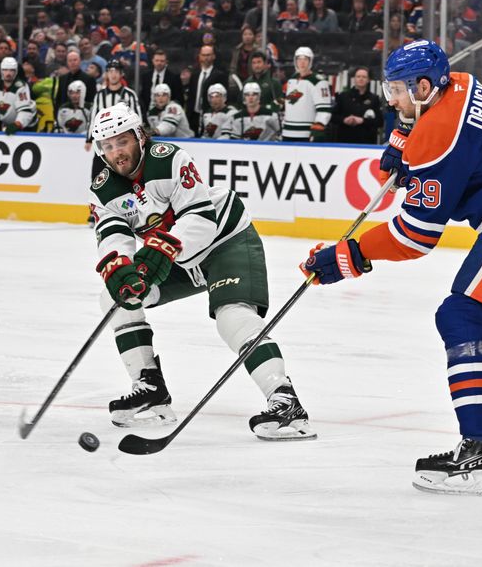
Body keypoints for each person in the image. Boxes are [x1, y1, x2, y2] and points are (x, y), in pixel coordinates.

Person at [301, 40, 482, 495]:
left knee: (460, 315)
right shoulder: (461, 83)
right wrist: (399, 144)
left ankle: (479, 452)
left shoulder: (437, 135)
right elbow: (419, 122)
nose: (391, 99)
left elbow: (415, 237)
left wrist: (347, 256)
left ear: (423, 86)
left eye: (397, 90)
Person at [88, 103, 316, 440]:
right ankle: (150, 388)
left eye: (122, 141)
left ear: (139, 137)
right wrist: (119, 267)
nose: (116, 152)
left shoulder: (168, 158)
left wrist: (159, 251)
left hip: (225, 240)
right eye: (107, 146)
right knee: (116, 297)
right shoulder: (103, 187)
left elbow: (200, 218)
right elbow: (112, 235)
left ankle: (285, 401)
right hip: (179, 258)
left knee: (233, 317)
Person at [85, 59, 141, 176]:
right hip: (104, 140)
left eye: (116, 71)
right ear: (106, 74)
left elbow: (137, 117)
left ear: (121, 74)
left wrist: (140, 136)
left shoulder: (130, 95)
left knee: (126, 172)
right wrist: (89, 139)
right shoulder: (99, 95)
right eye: (110, 71)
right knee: (98, 176)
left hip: (123, 139)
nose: (113, 74)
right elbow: (93, 118)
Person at [282, 47, 332, 142]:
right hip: (287, 132)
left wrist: (319, 125)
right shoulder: (292, 79)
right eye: (299, 59)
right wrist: (280, 102)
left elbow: (324, 109)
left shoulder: (318, 81)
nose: (302, 62)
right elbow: (293, 101)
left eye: (305, 59)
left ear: (310, 61)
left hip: (306, 133)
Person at [0, 57, 37, 135]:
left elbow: (25, 111)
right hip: (7, 122)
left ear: (16, 71)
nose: (8, 73)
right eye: (5, 70)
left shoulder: (21, 86)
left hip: (26, 125)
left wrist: (17, 124)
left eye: (11, 70)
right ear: (1, 70)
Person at [332, 66, 382, 144]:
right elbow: (333, 117)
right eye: (358, 76)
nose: (361, 79)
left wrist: (363, 121)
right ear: (354, 79)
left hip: (366, 142)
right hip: (344, 140)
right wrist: (344, 120)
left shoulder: (374, 99)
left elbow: (380, 122)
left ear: (369, 80)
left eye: (364, 77)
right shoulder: (343, 96)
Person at [187, 45, 228, 135]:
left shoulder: (220, 75)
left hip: (211, 114)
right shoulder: (195, 74)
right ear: (199, 56)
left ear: (214, 56)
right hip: (194, 115)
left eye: (208, 55)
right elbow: (191, 96)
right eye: (203, 55)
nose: (206, 58)